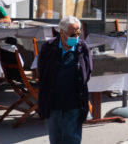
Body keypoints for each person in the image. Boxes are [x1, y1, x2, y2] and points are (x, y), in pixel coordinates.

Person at [38, 16, 93, 144]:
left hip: (74, 103)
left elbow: (88, 71)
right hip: (53, 103)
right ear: (61, 32)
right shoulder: (49, 47)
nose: (76, 36)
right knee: (56, 139)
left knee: (71, 139)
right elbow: (43, 72)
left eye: (78, 32)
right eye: (73, 34)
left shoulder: (82, 47)